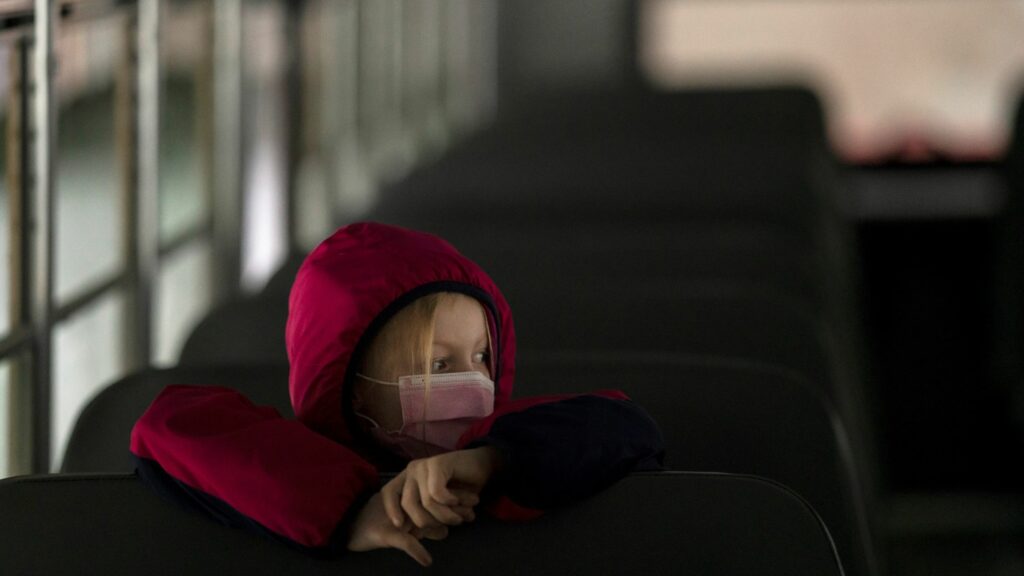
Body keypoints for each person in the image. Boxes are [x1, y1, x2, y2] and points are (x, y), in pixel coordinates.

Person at [131, 222, 664, 566]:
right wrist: (352, 508)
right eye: (438, 364)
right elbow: (169, 426)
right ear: (354, 390)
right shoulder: (304, 465)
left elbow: (627, 427)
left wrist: (493, 462)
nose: (474, 382)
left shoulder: (508, 445)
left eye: (482, 357)